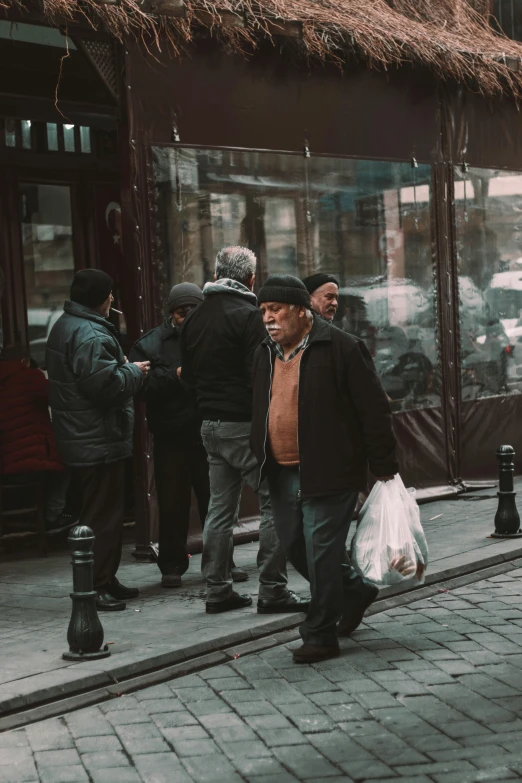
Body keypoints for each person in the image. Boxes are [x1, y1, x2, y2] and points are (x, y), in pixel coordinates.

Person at [250, 275, 398, 664]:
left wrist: (383, 466)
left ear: (301, 311)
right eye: (263, 310)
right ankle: (356, 590)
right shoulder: (264, 353)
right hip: (282, 471)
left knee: (321, 551)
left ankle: (319, 633)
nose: (268, 318)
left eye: (276, 309)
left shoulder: (342, 347)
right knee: (296, 546)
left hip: (331, 469)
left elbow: (374, 410)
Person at [181, 246, 308, 615]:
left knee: (219, 508)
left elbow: (187, 377)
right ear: (251, 279)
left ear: (218, 271)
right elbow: (263, 376)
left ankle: (217, 590)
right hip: (244, 424)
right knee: (275, 501)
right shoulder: (250, 317)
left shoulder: (194, 317)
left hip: (210, 426)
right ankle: (273, 589)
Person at [130, 283, 248, 588]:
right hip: (171, 437)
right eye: (183, 313)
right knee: (173, 505)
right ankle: (171, 566)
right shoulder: (151, 343)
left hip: (208, 432)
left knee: (217, 504)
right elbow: (140, 386)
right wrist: (175, 375)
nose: (189, 318)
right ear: (171, 313)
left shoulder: (212, 334)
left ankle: (223, 562)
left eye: (194, 311)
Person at [46, 269, 150, 611]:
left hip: (84, 435)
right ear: (104, 298)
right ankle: (97, 584)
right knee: (102, 516)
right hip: (98, 437)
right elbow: (106, 387)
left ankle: (106, 577)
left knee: (101, 512)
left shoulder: (66, 324)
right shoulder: (90, 333)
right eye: (110, 296)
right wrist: (135, 371)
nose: (113, 301)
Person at [0, 344, 72, 533]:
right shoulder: (29, 377)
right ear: (24, 360)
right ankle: (54, 516)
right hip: (35, 461)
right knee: (69, 462)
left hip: (7, 463)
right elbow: (58, 398)